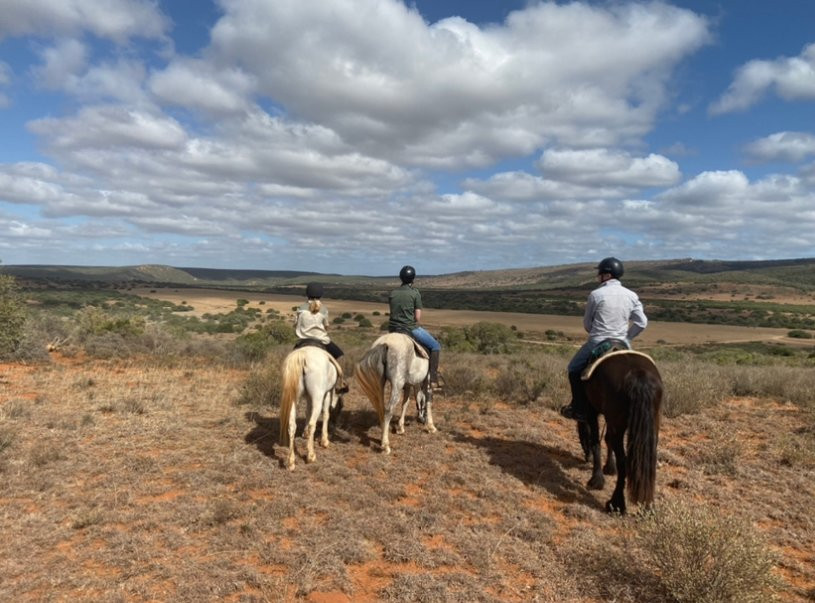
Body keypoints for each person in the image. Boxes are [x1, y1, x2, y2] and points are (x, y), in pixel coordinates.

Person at [560, 257, 648, 422]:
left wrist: (596, 331)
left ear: (606, 275)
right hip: (622, 343)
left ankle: (579, 409)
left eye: (599, 274)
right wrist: (627, 337)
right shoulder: (631, 295)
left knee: (573, 368)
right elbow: (642, 322)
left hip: (598, 341)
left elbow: (587, 324)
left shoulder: (596, 294)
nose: (598, 277)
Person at [388, 265, 443, 391]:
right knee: (435, 346)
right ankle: (433, 379)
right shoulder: (415, 293)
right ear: (413, 279)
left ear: (400, 278)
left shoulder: (393, 293)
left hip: (392, 329)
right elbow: (417, 318)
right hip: (409, 328)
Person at [293, 282, 348, 394]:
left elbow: (295, 324)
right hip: (321, 341)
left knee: (290, 362)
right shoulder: (324, 309)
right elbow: (326, 326)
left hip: (303, 341)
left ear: (307, 294)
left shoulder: (300, 308)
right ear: (320, 294)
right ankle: (340, 383)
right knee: (341, 356)